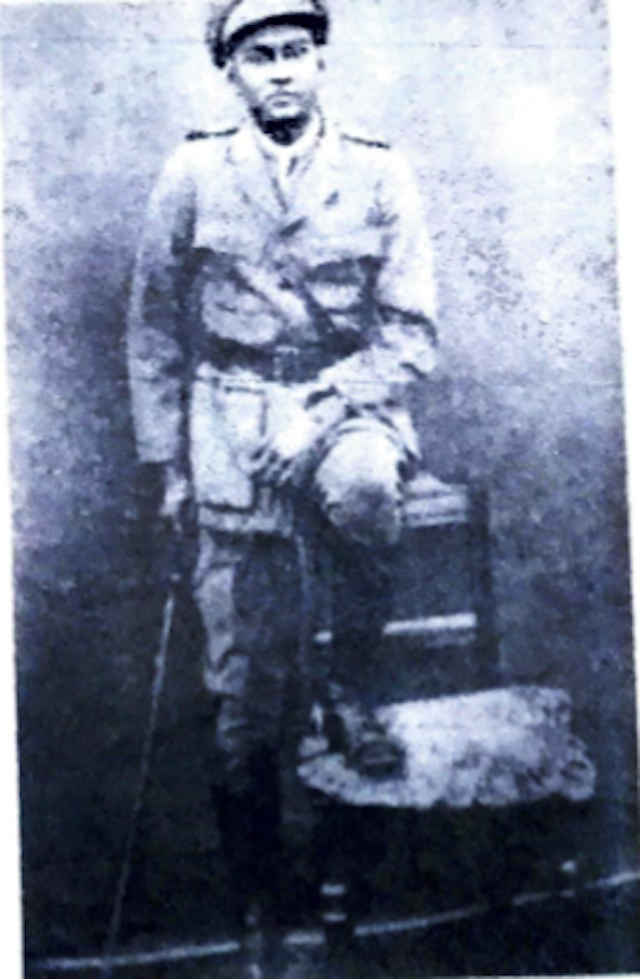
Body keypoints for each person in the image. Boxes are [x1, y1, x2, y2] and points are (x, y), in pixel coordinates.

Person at [127, 0, 437, 971]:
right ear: (230, 73)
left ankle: (353, 683)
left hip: (344, 407)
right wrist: (170, 468)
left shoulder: (379, 171)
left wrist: (322, 408)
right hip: (228, 422)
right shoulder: (192, 172)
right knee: (243, 705)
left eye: (296, 52)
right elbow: (152, 327)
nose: (281, 72)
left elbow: (410, 336)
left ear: (321, 61)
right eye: (259, 56)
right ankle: (257, 914)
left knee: (365, 489)